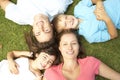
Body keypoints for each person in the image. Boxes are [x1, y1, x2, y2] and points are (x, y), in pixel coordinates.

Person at [43, 29, 120, 80]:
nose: (70, 47)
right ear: (60, 48)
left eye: (73, 43)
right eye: (65, 44)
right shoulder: (50, 72)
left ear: (78, 46)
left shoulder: (90, 62)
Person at [0, 0, 73, 46]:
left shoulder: (19, 17)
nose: (40, 27)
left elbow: (3, 2)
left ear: (33, 31)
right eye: (46, 30)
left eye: (38, 33)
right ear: (51, 26)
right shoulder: (58, 6)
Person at [52, 0, 120, 43]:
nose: (69, 20)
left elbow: (95, 1)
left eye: (66, 17)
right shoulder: (89, 35)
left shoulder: (78, 8)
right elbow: (113, 35)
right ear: (68, 32)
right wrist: (106, 19)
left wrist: (99, 3)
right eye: (66, 24)